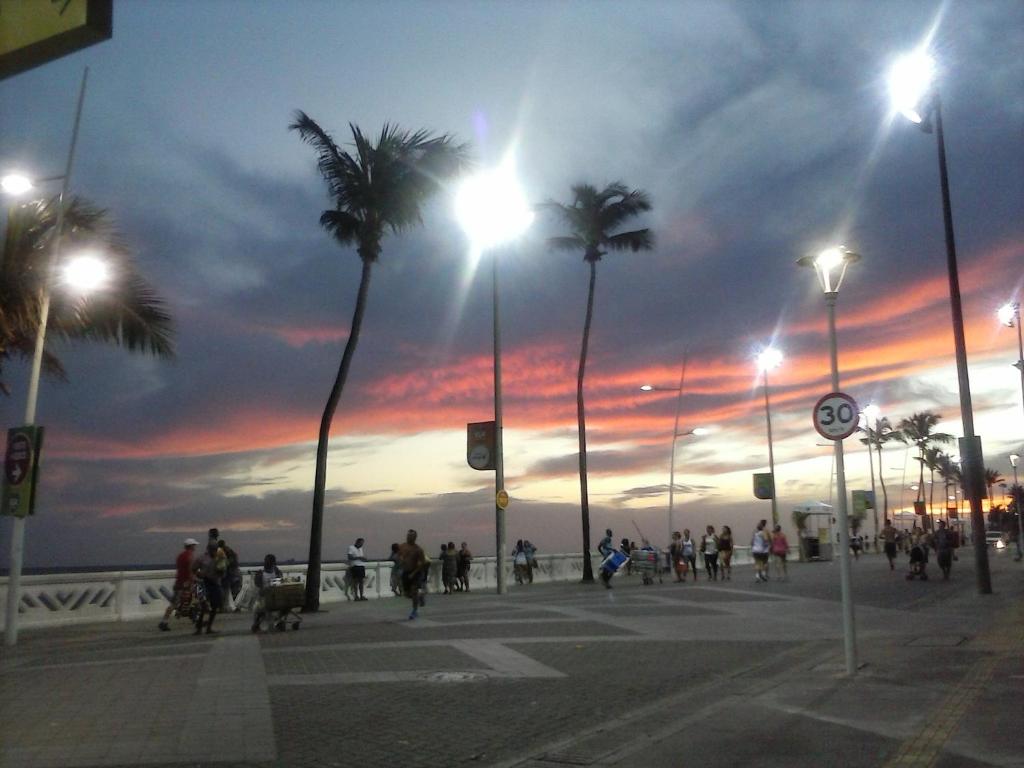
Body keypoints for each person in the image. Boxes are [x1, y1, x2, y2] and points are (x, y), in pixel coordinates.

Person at [159, 538, 198, 631]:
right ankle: (164, 622)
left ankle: (194, 618)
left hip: (179, 582)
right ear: (191, 546)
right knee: (189, 600)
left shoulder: (180, 556)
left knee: (180, 602)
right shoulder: (190, 556)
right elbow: (190, 570)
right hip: (186, 584)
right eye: (194, 545)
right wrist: (192, 581)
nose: (195, 547)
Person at [191, 542, 222, 634]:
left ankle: (209, 627)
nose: (214, 551)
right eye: (213, 549)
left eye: (216, 549)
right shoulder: (202, 558)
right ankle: (199, 628)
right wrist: (199, 574)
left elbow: (224, 569)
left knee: (215, 606)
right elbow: (193, 568)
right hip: (205, 583)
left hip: (216, 583)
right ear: (208, 550)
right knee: (204, 606)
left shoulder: (220, 558)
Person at [398, 529, 427, 620]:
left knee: (414, 591)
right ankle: (420, 596)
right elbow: (399, 555)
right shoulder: (402, 546)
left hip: (415, 572)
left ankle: (414, 611)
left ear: (414, 538)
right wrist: (401, 560)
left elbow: (422, 563)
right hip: (405, 572)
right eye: (408, 535)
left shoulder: (418, 549)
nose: (408, 537)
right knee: (406, 594)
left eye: (410, 536)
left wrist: (413, 573)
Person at [251, 553, 284, 632]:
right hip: (277, 600)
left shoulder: (260, 574)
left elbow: (258, 590)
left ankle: (257, 622)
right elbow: (280, 585)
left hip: (265, 601)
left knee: (258, 606)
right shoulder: (278, 573)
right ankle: (279, 620)